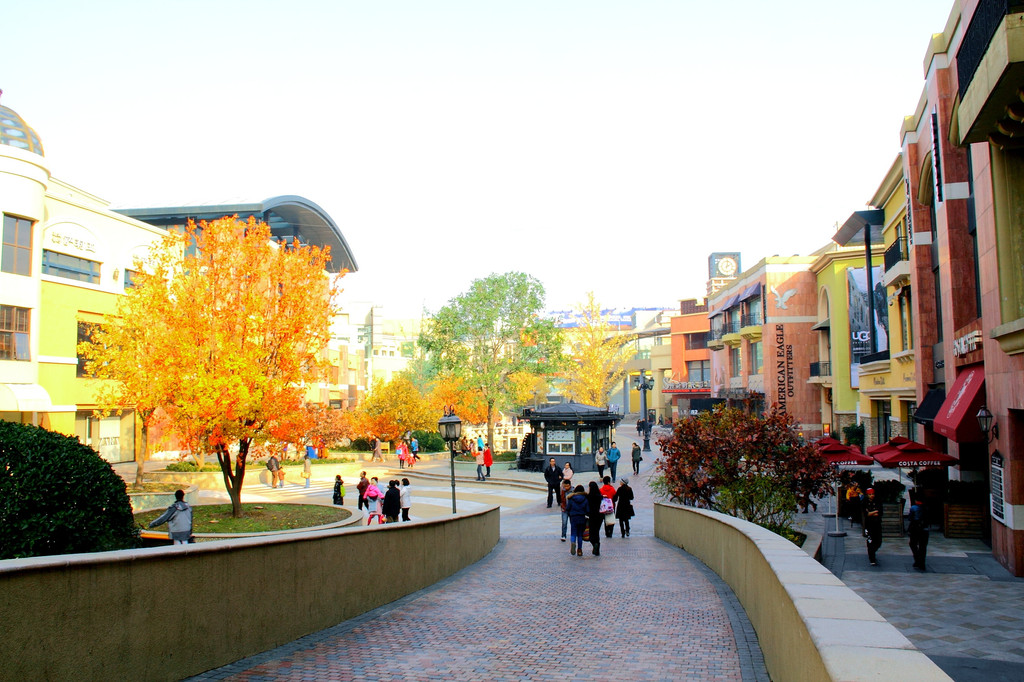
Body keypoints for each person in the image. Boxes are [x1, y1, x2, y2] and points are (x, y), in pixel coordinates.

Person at [565, 484, 589, 557]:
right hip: (581, 517)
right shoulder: (585, 498)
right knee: (580, 535)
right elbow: (588, 510)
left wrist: (570, 514)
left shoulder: (571, 498)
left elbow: (567, 508)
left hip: (573, 517)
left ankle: (573, 542)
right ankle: (579, 550)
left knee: (573, 533)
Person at [862, 487, 883, 566]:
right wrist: (874, 512)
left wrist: (871, 512)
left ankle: (873, 551)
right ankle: (872, 558)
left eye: (873, 494)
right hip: (868, 525)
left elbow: (880, 512)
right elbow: (866, 514)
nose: (872, 496)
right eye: (870, 494)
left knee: (878, 541)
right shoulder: (864, 502)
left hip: (877, 524)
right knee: (870, 540)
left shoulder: (878, 501)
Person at [908, 493, 929, 570]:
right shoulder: (926, 508)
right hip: (925, 530)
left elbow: (910, 518)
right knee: (923, 547)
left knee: (913, 544)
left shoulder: (914, 508)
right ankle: (922, 563)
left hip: (915, 529)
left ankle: (917, 560)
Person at [586, 481, 603, 556]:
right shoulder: (600, 496)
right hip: (600, 516)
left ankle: (595, 544)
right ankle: (597, 546)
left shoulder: (589, 497)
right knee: (597, 531)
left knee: (592, 532)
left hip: (592, 516)